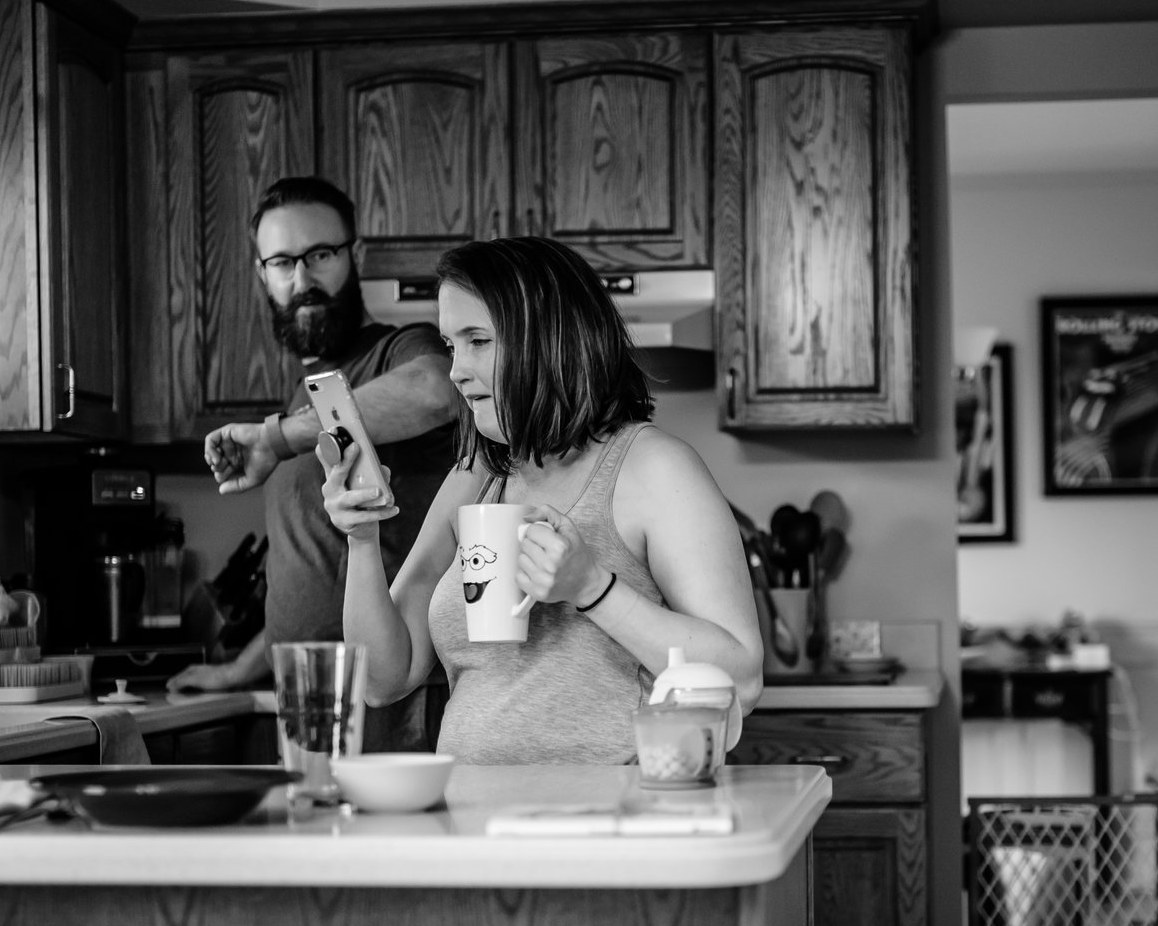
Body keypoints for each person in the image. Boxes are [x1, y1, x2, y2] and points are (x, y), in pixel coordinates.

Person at [322, 236, 762, 763]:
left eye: (478, 341)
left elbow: (741, 679)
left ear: (549, 341)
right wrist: (362, 540)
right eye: (450, 345)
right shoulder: (475, 474)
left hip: (610, 826)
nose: (456, 370)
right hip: (472, 825)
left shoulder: (653, 467)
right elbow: (383, 680)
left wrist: (593, 588)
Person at [168, 177, 463, 748]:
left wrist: (279, 437)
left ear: (356, 256)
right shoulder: (305, 397)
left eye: (320, 255)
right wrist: (239, 669)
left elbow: (435, 389)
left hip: (391, 693)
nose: (302, 279)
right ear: (263, 274)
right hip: (308, 695)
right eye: (282, 262)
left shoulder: (400, 350)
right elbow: (310, 571)